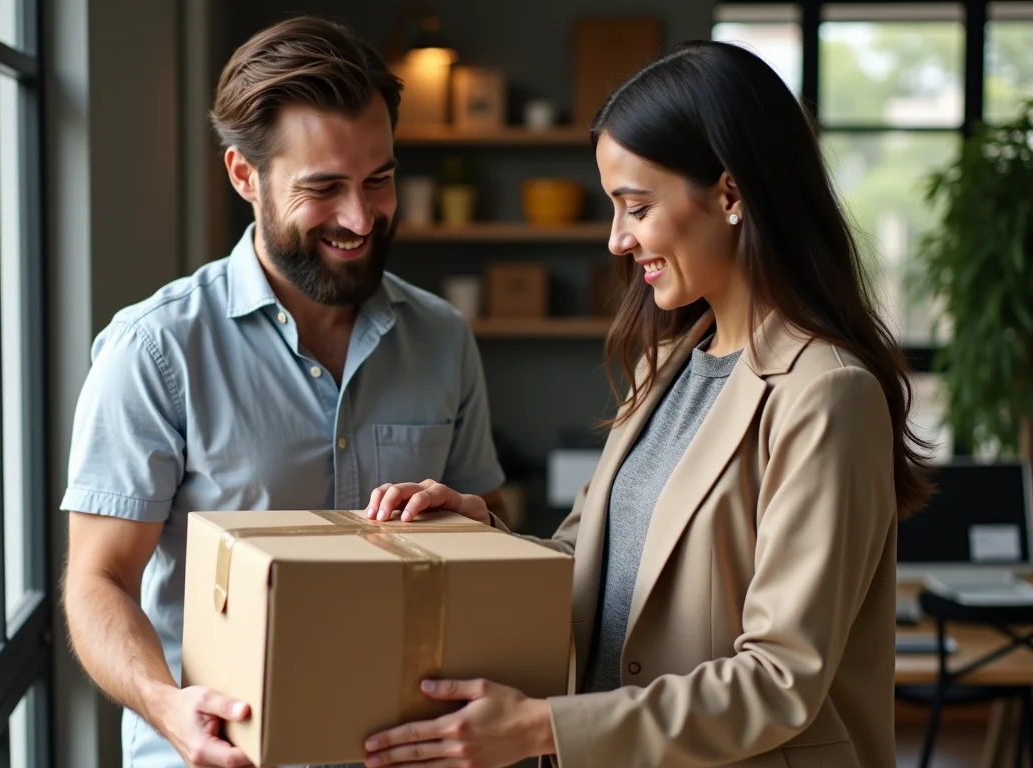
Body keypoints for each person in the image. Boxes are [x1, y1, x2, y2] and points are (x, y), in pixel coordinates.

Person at [362, 40, 933, 768]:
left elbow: (782, 679)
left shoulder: (825, 393)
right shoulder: (666, 367)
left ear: (731, 195)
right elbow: (596, 571)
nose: (617, 239)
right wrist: (483, 533)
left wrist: (544, 728)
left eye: (635, 206)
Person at [60, 16, 507, 768]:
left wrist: (480, 523)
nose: (360, 219)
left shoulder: (442, 337)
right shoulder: (156, 350)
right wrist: (167, 705)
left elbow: (484, 539)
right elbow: (98, 580)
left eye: (379, 180)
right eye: (324, 188)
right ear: (244, 176)